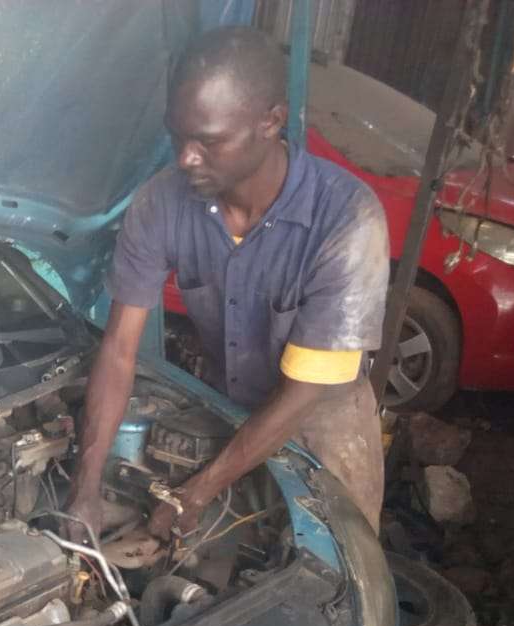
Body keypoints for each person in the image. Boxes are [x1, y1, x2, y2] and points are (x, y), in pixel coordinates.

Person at [66, 26, 388, 544]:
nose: (185, 158)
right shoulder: (162, 203)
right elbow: (120, 348)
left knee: (334, 575)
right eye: (177, 136)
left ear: (271, 121)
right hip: (226, 403)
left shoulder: (347, 219)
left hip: (323, 423)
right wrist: (85, 488)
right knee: (226, 559)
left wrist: (196, 493)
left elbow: (303, 391)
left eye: (208, 141)